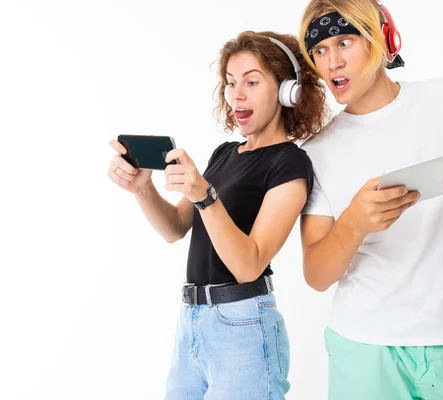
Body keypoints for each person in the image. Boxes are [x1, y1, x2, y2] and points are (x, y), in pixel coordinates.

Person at [297, 1, 443, 399]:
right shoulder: (317, 151)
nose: (332, 62)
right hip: (365, 350)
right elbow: (316, 275)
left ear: (380, 39)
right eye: (319, 50)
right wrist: (353, 222)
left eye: (344, 42)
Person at [107, 30, 327, 400]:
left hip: (242, 322)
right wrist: (142, 188)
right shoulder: (225, 153)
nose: (237, 94)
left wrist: (205, 196)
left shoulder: (290, 162)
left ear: (287, 90)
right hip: (192, 320)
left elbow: (249, 265)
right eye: (230, 83)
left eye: (252, 82)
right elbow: (175, 228)